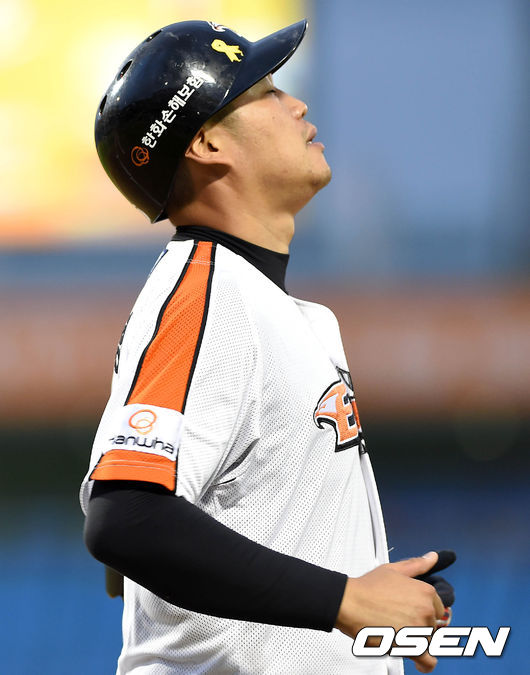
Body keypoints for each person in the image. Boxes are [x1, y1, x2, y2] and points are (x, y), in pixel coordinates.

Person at [81, 19, 454, 675]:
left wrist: (368, 587)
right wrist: (347, 599)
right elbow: (128, 518)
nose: (297, 104)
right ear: (206, 142)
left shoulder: (275, 309)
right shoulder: (205, 290)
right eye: (268, 91)